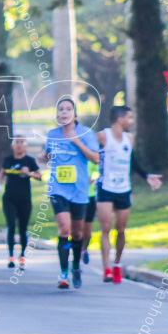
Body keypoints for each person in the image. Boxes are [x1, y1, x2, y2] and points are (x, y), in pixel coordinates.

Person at [96, 106, 162, 283]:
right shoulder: (103, 136)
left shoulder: (129, 138)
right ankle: (106, 269)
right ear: (120, 119)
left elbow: (132, 161)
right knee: (106, 228)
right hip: (105, 187)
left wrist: (146, 176)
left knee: (121, 229)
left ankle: (117, 263)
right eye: (129, 118)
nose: (131, 121)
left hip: (124, 189)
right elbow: (91, 155)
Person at [41, 98, 100, 290]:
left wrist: (76, 141)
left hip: (80, 190)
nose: (64, 112)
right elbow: (47, 155)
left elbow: (96, 158)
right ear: (57, 114)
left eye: (68, 109)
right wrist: (43, 157)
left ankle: (75, 266)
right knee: (64, 229)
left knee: (77, 233)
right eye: (61, 109)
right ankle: (63, 273)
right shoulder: (52, 134)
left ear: (75, 114)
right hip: (58, 188)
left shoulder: (86, 133)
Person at [0, 135, 41, 270]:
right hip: (9, 198)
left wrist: (29, 174)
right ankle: (10, 256)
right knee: (11, 226)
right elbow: (2, 173)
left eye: (22, 142)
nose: (19, 145)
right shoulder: (8, 160)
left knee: (22, 228)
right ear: (12, 145)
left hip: (25, 199)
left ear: (26, 145)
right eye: (17, 142)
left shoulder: (29, 160)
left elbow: (39, 176)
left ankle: (22, 256)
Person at [79, 161, 99, 266]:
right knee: (77, 229)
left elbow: (99, 171)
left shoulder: (91, 158)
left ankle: (84, 249)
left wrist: (93, 179)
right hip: (76, 196)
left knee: (87, 231)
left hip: (90, 196)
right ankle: (76, 253)